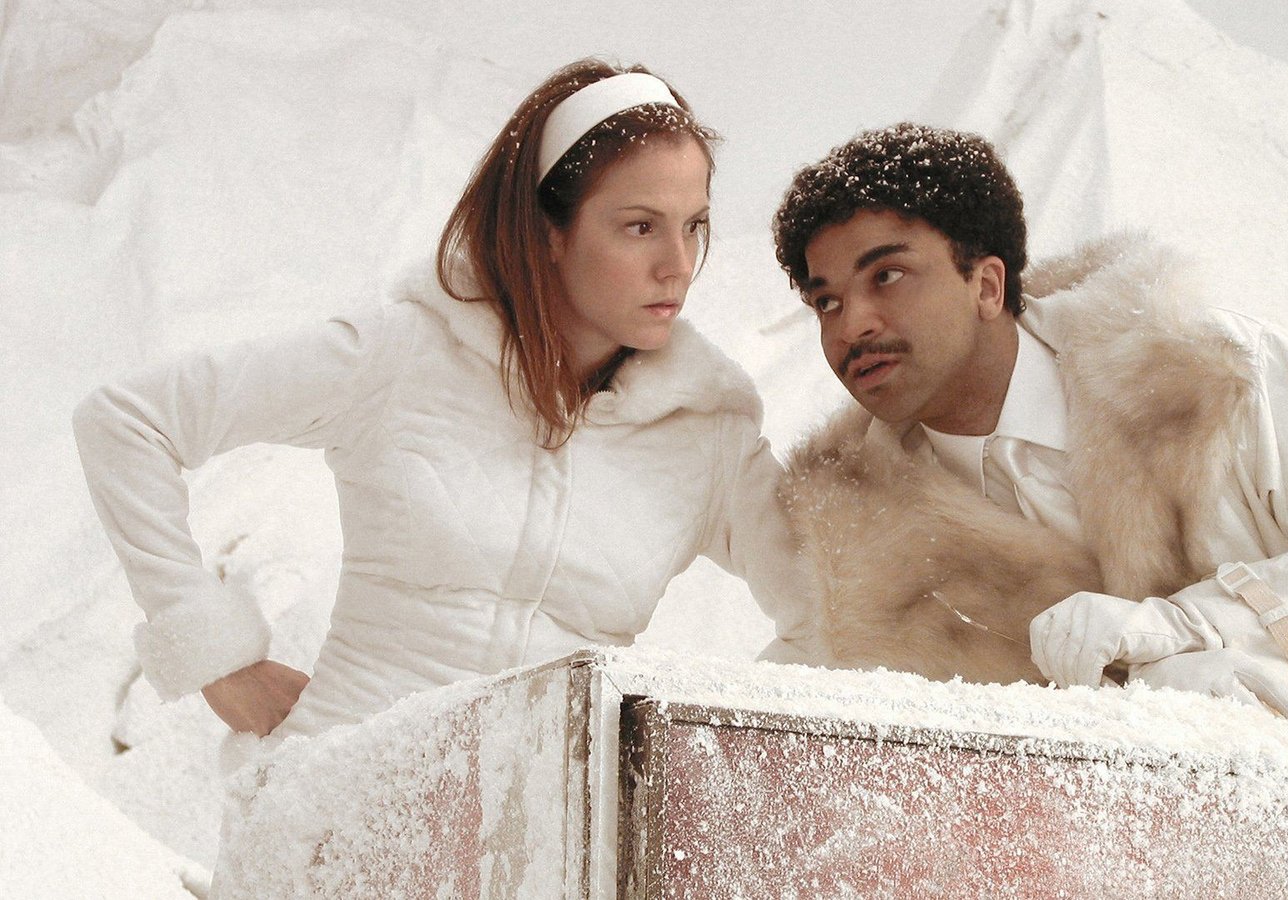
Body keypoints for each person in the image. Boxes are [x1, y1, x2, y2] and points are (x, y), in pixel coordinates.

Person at [72, 59, 818, 742]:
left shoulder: (707, 432)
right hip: (337, 810)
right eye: (640, 227)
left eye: (694, 227)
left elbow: (838, 614)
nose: (677, 265)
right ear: (549, 230)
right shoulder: (405, 352)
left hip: (544, 838)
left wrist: (699, 757)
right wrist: (219, 662)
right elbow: (129, 422)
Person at [770, 123, 1288, 722]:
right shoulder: (854, 553)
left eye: (887, 276)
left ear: (986, 285)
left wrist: (1192, 628)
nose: (851, 325)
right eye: (826, 302)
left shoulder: (1211, 370)